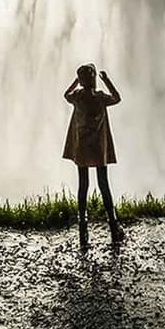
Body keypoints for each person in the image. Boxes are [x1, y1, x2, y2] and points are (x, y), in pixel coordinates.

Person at [63, 63, 125, 249]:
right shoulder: (100, 98)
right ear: (94, 79)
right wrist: (107, 80)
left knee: (83, 185)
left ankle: (83, 230)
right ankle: (113, 227)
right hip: (98, 147)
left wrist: (76, 82)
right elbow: (117, 98)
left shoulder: (78, 97)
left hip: (82, 146)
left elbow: (66, 94)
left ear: (81, 81)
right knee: (103, 184)